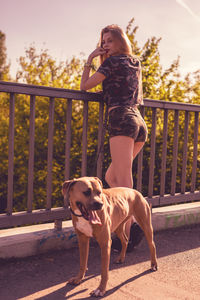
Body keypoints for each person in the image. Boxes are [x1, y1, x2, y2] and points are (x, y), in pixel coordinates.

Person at [80, 24, 148, 252]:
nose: (105, 46)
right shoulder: (135, 62)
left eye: (109, 41)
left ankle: (124, 238)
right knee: (111, 175)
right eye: (103, 42)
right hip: (138, 122)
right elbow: (127, 90)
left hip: (121, 120)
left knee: (126, 185)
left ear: (120, 41)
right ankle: (132, 224)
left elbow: (85, 86)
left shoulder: (110, 63)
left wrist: (90, 59)